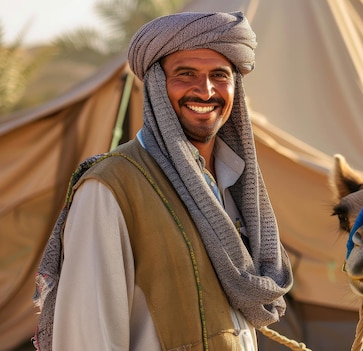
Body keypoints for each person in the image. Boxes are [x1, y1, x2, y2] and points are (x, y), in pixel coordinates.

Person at [33, 11, 293, 351]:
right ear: (156, 85)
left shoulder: (234, 183)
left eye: (220, 75)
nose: (206, 90)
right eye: (186, 75)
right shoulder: (110, 187)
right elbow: (87, 336)